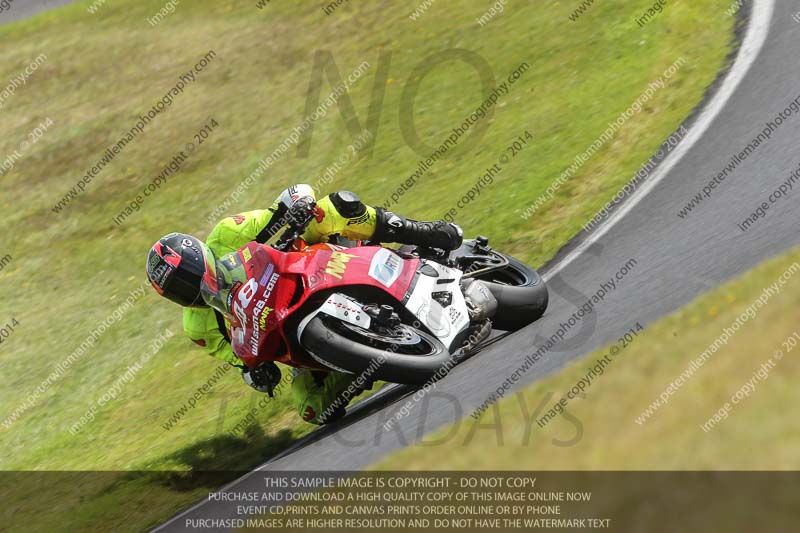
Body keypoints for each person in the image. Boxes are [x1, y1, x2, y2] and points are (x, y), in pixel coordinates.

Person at [145, 184, 462, 424]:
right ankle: (372, 359)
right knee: (312, 408)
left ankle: (423, 232)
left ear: (202, 255)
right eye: (179, 291)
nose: (191, 289)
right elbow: (242, 363)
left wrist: (298, 205)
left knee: (329, 209)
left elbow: (288, 200)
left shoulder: (227, 234)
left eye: (190, 275)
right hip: (285, 327)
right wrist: (257, 375)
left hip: (306, 265)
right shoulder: (198, 327)